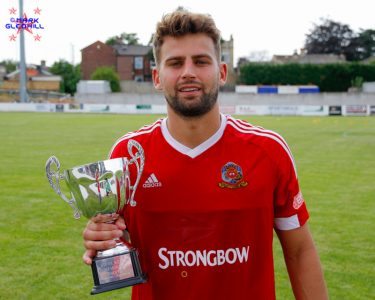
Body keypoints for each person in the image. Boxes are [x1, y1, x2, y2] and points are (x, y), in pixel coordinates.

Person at [82, 9, 328, 300]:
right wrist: (102, 239)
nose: (188, 72)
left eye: (200, 61)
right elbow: (117, 245)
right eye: (175, 63)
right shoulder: (127, 155)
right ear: (157, 77)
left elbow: (299, 251)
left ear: (221, 72)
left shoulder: (268, 150)